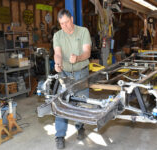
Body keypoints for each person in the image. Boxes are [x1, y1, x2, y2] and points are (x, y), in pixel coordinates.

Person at [53, 9, 92, 149]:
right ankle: (59, 136)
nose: (65, 26)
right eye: (62, 24)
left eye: (67, 22)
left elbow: (87, 52)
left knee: (80, 104)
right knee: (61, 104)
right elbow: (57, 53)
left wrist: (78, 58)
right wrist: (57, 63)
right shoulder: (57, 35)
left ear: (72, 19)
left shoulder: (83, 32)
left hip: (81, 73)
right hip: (65, 74)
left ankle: (80, 127)